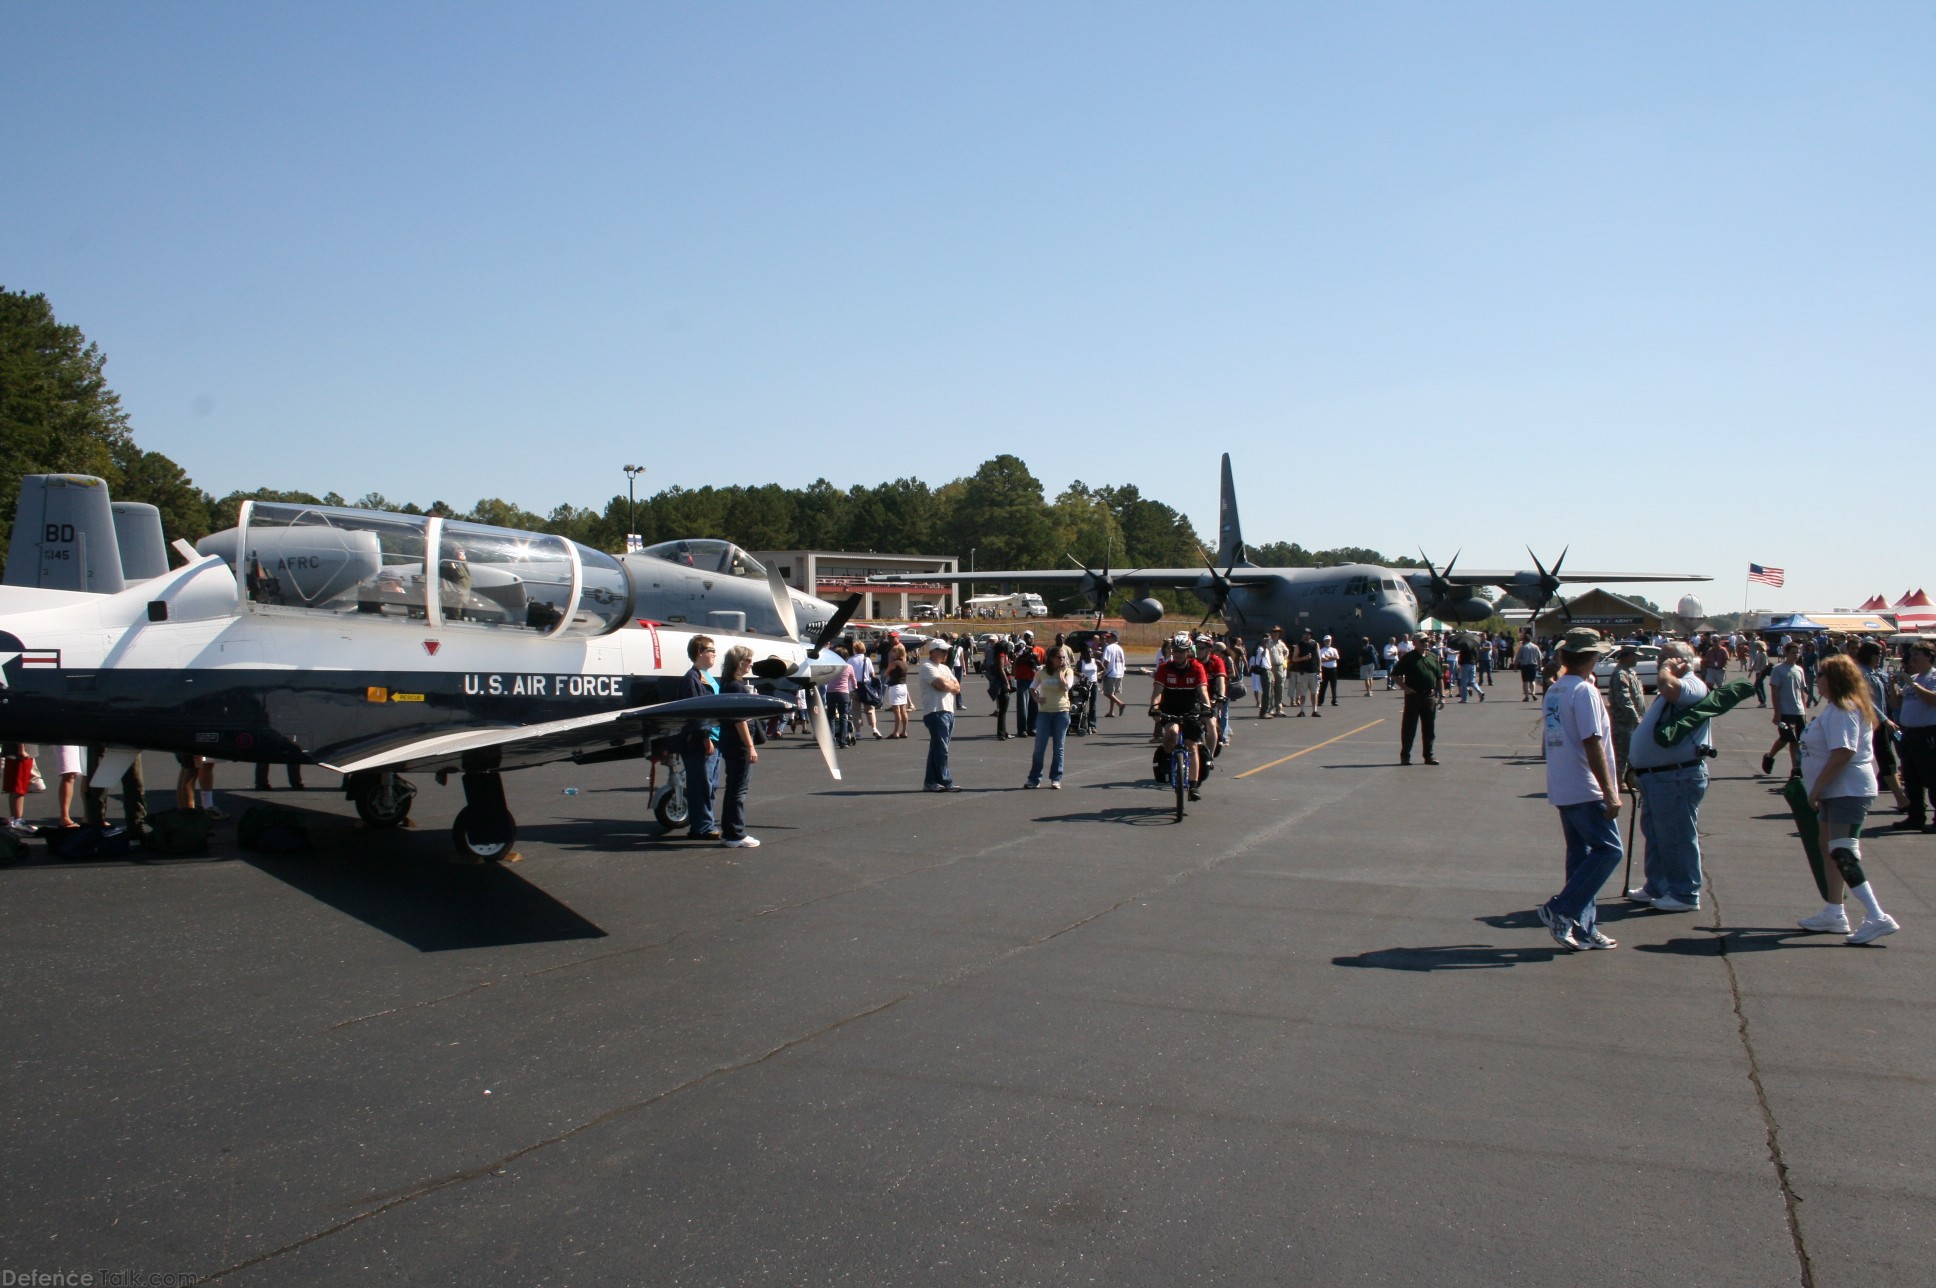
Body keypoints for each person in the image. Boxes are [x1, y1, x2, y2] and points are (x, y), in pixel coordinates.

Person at [1795, 656, 1900, 942]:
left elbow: (1844, 751)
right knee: (1828, 846)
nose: (1817, 681)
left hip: (1847, 789)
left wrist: (1815, 789)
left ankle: (1876, 915)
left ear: (1835, 679)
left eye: (1821, 676)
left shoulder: (1843, 709)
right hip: (1836, 790)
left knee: (1842, 850)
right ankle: (1834, 911)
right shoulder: (1835, 709)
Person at [1535, 628, 1625, 952]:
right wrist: (1610, 790)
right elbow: (1591, 740)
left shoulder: (1556, 689)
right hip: (1584, 786)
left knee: (1581, 856)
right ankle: (1560, 909)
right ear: (1591, 657)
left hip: (1563, 783)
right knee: (1610, 850)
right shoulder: (1584, 691)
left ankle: (1583, 926)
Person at [1625, 643, 1709, 912]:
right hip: (1658, 776)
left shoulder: (1692, 685)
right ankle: (1658, 885)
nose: (1661, 662)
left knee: (1677, 835)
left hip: (1676, 775)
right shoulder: (1674, 685)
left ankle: (1685, 892)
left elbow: (1668, 688)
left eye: (1666, 658)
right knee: (1657, 833)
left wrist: (1665, 670)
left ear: (1683, 662)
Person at [1150, 636, 1212, 801]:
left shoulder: (1197, 668)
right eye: (1175, 651)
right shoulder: (1165, 668)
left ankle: (1193, 786)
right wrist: (1155, 708)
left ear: (1188, 653)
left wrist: (1207, 709)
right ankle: (1171, 760)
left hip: (1190, 709)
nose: (1177, 654)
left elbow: (1203, 691)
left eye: (1181, 651)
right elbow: (1157, 692)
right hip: (1170, 708)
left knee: (1192, 747)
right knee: (1171, 732)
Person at [716, 644, 762, 848]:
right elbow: (739, 719)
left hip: (728, 740)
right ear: (738, 662)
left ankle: (730, 831)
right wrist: (750, 745)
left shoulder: (728, 684)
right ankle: (736, 833)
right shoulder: (736, 686)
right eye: (748, 661)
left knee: (733, 787)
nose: (751, 664)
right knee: (738, 790)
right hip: (738, 743)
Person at [1890, 640, 1936, 832]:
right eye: (1912, 654)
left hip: (1927, 733)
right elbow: (1898, 704)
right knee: (1911, 778)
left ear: (1929, 657)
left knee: (1932, 777)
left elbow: (1932, 699)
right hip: (1909, 734)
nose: (1912, 658)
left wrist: (1913, 684)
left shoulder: (1931, 678)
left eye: (1917, 655)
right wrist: (1893, 686)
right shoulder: (1915, 678)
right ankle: (1915, 816)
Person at [679, 635, 722, 840]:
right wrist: (705, 737)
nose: (714, 654)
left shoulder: (707, 676)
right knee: (701, 785)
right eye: (711, 650)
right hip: (701, 740)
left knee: (710, 785)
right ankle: (703, 826)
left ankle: (705, 823)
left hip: (715, 738)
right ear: (700, 652)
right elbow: (696, 711)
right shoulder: (692, 678)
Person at [1026, 645, 1075, 789]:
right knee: (1039, 748)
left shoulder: (1068, 671)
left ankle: (1056, 778)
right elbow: (1032, 687)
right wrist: (1036, 698)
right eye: (1059, 657)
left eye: (1064, 657)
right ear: (1051, 658)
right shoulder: (1042, 672)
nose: (1062, 660)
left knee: (1058, 747)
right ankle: (1034, 779)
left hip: (1061, 712)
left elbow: (1066, 687)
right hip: (1044, 713)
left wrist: (1060, 673)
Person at [917, 639, 962, 792]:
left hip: (948, 710)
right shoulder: (926, 667)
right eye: (942, 651)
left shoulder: (944, 668)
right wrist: (947, 684)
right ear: (933, 651)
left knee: (937, 748)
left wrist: (947, 684)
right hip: (936, 711)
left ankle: (930, 782)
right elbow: (942, 685)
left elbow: (957, 687)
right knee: (941, 748)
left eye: (946, 651)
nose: (945, 654)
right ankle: (946, 780)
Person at [1760, 642, 1809, 777]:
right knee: (1787, 738)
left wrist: (1804, 711)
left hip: (1798, 711)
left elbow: (1801, 692)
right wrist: (1777, 712)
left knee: (1797, 740)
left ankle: (1796, 769)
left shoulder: (1799, 670)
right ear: (1786, 653)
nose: (1796, 655)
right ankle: (1770, 756)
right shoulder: (1778, 669)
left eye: (1797, 652)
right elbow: (1774, 691)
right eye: (1793, 652)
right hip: (1785, 711)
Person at [1391, 641, 1443, 765]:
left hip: (1429, 696)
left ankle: (1428, 756)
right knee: (1409, 727)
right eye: (1422, 642)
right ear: (1415, 643)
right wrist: (1406, 688)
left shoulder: (1432, 657)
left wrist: (1442, 695)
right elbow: (1395, 675)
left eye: (1427, 641)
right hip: (1413, 696)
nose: (1426, 644)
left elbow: (1439, 676)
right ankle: (1405, 756)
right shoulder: (1408, 657)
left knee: (1429, 727)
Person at [1605, 644, 1647, 781]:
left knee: (1633, 752)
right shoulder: (1620, 674)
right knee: (1622, 752)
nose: (1637, 660)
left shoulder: (1630, 672)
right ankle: (1619, 779)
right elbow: (1624, 699)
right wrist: (1636, 717)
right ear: (1628, 656)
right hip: (1624, 720)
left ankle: (1630, 779)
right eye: (1635, 656)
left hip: (1634, 720)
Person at [824, 642, 857, 746]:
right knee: (843, 716)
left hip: (830, 692)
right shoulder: (849, 667)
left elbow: (825, 678)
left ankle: (831, 738)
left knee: (831, 716)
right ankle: (842, 740)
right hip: (843, 693)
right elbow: (853, 680)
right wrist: (855, 687)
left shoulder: (831, 666)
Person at [848, 643, 883, 740]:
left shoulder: (851, 660)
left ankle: (858, 732)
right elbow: (872, 674)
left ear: (854, 649)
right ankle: (874, 728)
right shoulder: (867, 660)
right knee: (870, 709)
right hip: (866, 686)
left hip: (855, 687)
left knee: (856, 710)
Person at [1011, 631, 1042, 737]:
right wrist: (1029, 654)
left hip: (1035, 680)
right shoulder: (1020, 648)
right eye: (1026, 637)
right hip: (1022, 679)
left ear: (1033, 638)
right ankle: (1022, 729)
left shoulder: (1039, 650)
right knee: (1022, 705)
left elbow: (1042, 663)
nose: (1028, 639)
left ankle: (1032, 728)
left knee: (1034, 705)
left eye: (1030, 637)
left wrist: (1034, 656)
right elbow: (1017, 660)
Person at [983, 634, 1014, 740]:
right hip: (1002, 684)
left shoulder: (1000, 654)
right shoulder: (1001, 655)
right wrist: (1007, 683)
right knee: (1003, 710)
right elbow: (1001, 669)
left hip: (1002, 683)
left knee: (1002, 710)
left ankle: (1003, 732)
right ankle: (1001, 733)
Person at [885, 643, 911, 738]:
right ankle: (904, 731)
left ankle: (896, 732)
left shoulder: (894, 663)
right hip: (903, 686)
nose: (892, 653)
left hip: (895, 687)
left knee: (896, 711)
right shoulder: (905, 664)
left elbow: (886, 673)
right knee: (903, 710)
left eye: (894, 652)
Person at [1100, 632, 1128, 717]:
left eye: (1108, 637)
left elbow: (1106, 662)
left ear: (1113, 639)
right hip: (1119, 673)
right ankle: (1111, 711)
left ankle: (1120, 704)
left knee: (1107, 692)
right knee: (1113, 693)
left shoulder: (1109, 648)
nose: (1106, 639)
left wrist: (1102, 673)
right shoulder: (1120, 648)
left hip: (1111, 673)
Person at [1515, 632, 1543, 702]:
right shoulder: (1535, 647)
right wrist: (1540, 666)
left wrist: (1515, 666)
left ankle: (1527, 696)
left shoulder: (1522, 647)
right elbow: (1539, 657)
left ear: (1524, 640)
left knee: (1525, 681)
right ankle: (1533, 693)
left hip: (1525, 666)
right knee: (1532, 680)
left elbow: (1517, 658)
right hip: (1533, 665)